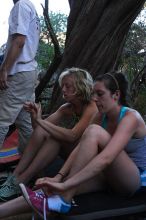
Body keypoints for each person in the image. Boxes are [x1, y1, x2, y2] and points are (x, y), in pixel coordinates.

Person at [0, 71, 146, 219]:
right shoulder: (100, 116)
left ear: (116, 95)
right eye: (94, 93)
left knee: (93, 132)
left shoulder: (131, 117)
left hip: (132, 181)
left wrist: (66, 185)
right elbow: (80, 147)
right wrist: (59, 177)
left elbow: (107, 158)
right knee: (49, 190)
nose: (94, 98)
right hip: (107, 176)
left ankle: (65, 198)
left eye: (100, 94)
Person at [0, 67, 97, 202]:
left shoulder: (91, 107)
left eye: (68, 86)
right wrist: (35, 117)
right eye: (62, 85)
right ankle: (16, 177)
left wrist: (40, 121)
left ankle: (23, 179)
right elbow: (39, 131)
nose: (63, 89)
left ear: (81, 87)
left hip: (86, 157)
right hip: (72, 151)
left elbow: (72, 136)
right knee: (49, 134)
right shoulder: (67, 108)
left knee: (55, 139)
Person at [0, 0, 40, 153]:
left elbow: (19, 40)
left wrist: (4, 69)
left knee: (1, 120)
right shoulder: (31, 7)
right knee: (25, 123)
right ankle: (29, 165)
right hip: (29, 72)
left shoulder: (21, 5)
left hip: (18, 72)